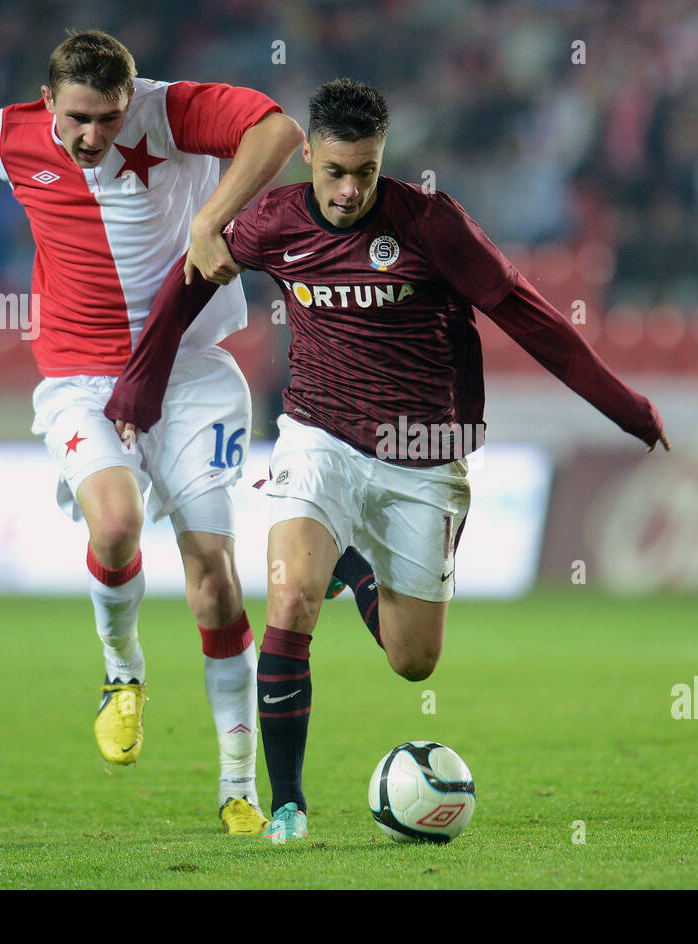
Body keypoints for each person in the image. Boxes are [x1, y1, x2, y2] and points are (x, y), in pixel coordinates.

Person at [107, 78, 669, 842]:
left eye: (364, 172)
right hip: (318, 436)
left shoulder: (433, 225)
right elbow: (189, 282)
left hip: (423, 456)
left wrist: (623, 405)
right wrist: (139, 387)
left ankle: (354, 567)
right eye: (334, 170)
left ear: (383, 159)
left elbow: (528, 315)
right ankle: (289, 804)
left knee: (414, 663)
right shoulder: (272, 221)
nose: (347, 189)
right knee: (291, 601)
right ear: (306, 155)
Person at [0, 30, 305, 835]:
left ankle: (238, 785)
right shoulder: (14, 131)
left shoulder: (171, 111)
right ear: (48, 104)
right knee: (114, 523)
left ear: (129, 98)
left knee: (213, 574)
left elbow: (279, 129)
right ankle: (122, 672)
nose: (94, 137)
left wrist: (213, 216)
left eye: (109, 118)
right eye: (78, 118)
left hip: (192, 371)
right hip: (79, 379)